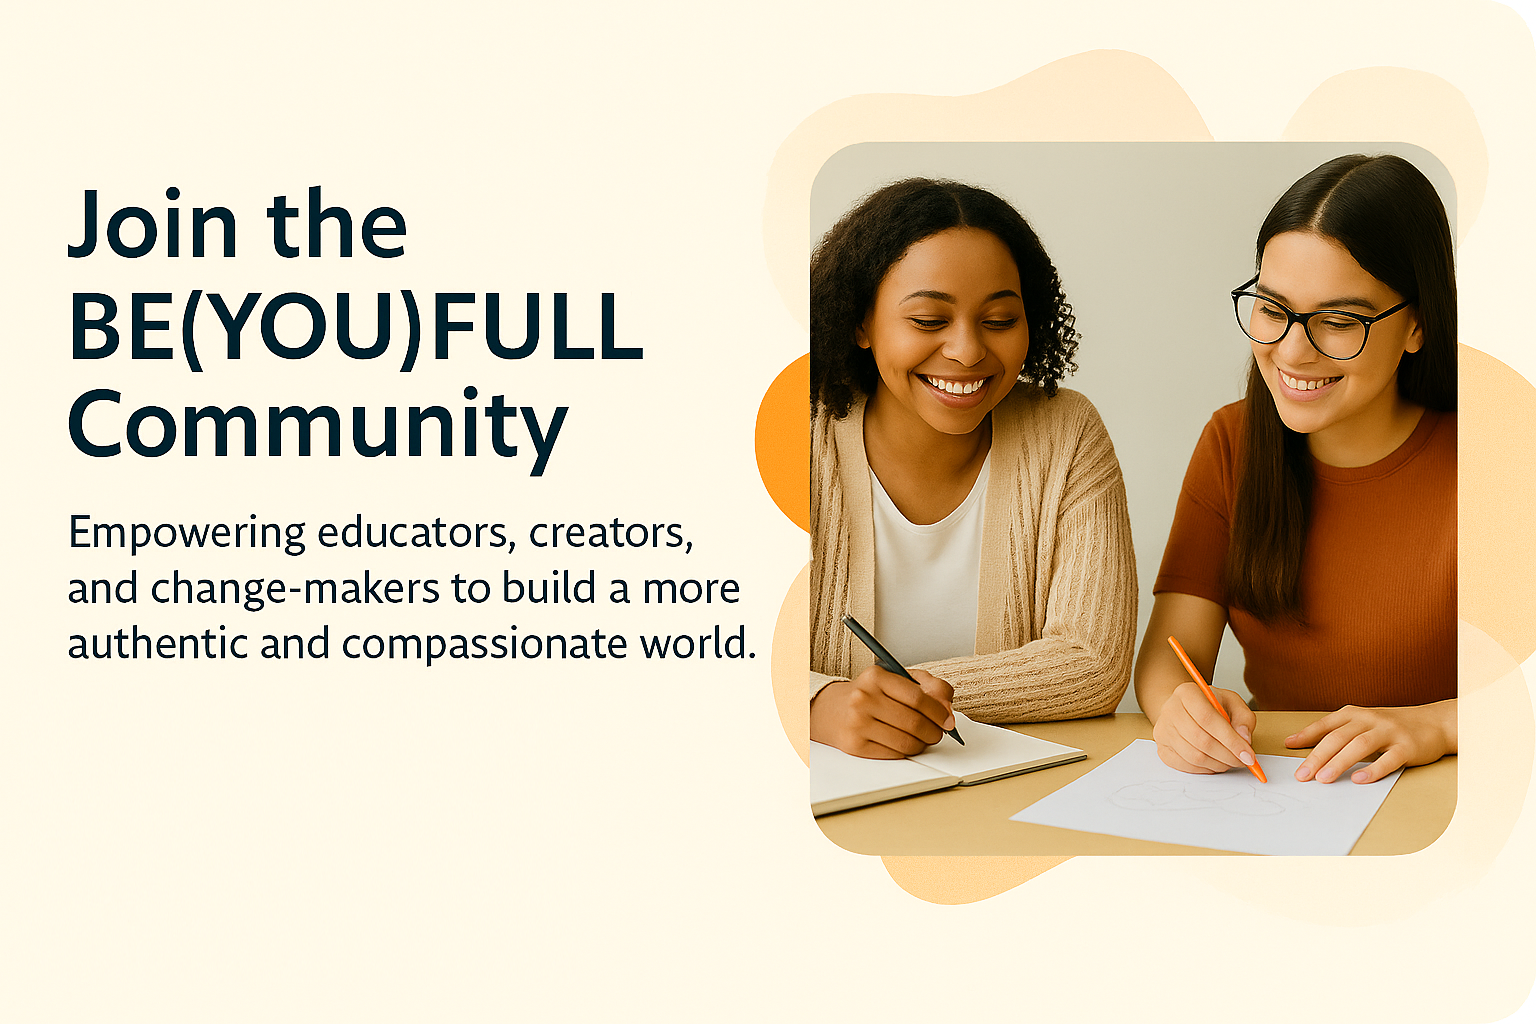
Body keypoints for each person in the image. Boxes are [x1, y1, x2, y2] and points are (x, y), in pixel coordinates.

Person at [1134, 154, 1456, 785]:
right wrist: (1180, 711)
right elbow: (1170, 659)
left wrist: (1440, 725)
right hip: (1285, 792)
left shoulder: (1496, 456)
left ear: (1417, 322)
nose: (1291, 351)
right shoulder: (1230, 443)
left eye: (1339, 322)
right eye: (1272, 308)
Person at [809, 178, 1137, 759]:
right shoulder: (793, 438)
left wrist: (887, 696)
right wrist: (814, 703)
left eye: (1000, 320)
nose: (966, 351)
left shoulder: (1068, 433)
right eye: (930, 321)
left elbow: (1094, 665)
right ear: (862, 323)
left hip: (1008, 789)